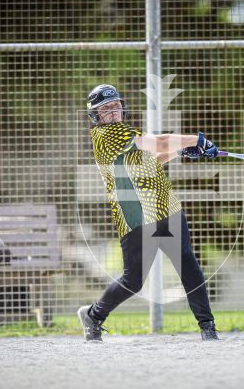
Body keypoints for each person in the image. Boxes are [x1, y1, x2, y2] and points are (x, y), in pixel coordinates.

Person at [77, 84, 219, 341]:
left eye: (116, 106)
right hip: (135, 216)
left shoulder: (125, 132)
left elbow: (151, 157)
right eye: (106, 109)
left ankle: (207, 326)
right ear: (96, 115)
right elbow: (157, 142)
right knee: (133, 281)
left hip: (166, 208)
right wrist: (197, 140)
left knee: (189, 265)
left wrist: (180, 152)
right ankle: (94, 315)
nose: (114, 112)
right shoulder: (106, 135)